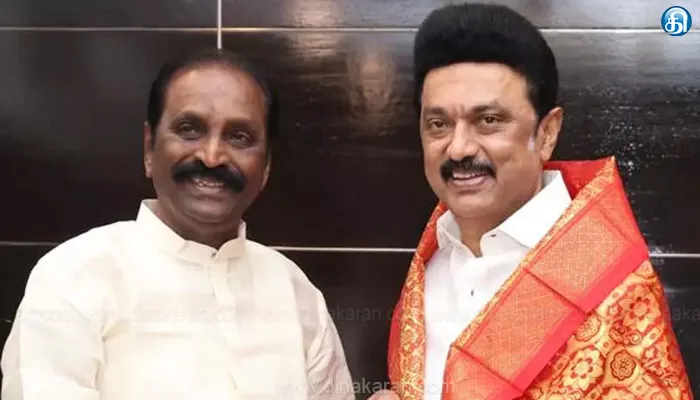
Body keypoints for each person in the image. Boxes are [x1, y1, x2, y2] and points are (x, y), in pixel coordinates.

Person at [372, 3, 692, 400]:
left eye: (488, 121)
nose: (458, 148)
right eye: (438, 125)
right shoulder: (432, 257)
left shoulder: (614, 289)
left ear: (547, 134)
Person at [1, 48, 355, 400]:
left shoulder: (295, 292)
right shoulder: (74, 276)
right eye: (189, 130)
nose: (212, 157)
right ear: (149, 148)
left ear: (265, 168)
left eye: (239, 137)